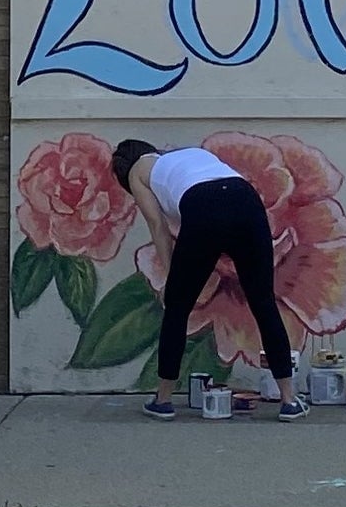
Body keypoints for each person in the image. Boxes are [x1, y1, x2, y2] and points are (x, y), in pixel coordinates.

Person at [110, 139, 304, 422]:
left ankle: (162, 400)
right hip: (245, 199)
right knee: (263, 303)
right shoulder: (187, 154)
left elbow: (157, 225)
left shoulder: (136, 172)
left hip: (203, 205)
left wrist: (169, 277)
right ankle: (289, 400)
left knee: (177, 309)